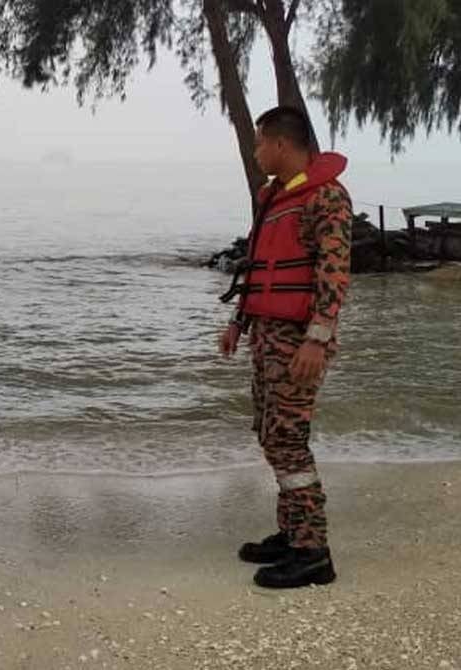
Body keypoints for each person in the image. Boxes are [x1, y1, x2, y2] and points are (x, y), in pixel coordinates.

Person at [218, 105, 352, 589]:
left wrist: (317, 338)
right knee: (270, 432)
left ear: (281, 144)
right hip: (267, 335)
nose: (256, 153)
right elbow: (259, 268)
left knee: (288, 440)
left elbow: (333, 273)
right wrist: (239, 321)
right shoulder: (276, 196)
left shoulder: (327, 198)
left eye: (259, 143)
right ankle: (292, 532)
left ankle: (314, 552)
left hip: (299, 341)